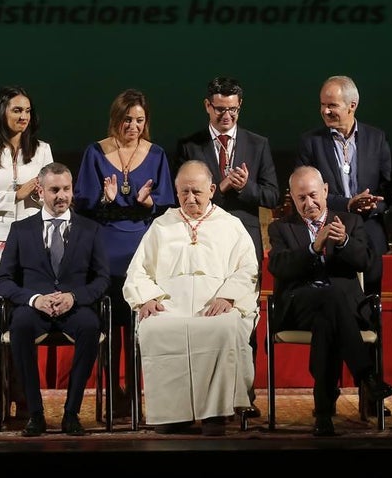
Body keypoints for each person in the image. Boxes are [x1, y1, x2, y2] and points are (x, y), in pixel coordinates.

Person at [122, 160, 260, 436]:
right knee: (155, 328)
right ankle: (172, 414)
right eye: (184, 192)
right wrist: (147, 299)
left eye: (196, 192)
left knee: (224, 328)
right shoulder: (162, 225)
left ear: (211, 190)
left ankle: (215, 414)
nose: (190, 198)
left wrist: (229, 297)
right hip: (170, 305)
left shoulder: (231, 225)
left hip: (215, 305)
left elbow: (248, 269)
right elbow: (137, 271)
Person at [173, 76, 279, 417]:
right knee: (202, 316)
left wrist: (244, 188)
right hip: (200, 245)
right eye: (220, 110)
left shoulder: (258, 144)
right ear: (207, 106)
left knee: (242, 319)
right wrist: (218, 187)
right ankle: (202, 397)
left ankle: (243, 397)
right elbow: (182, 197)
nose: (226, 116)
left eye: (232, 110)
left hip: (242, 245)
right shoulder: (189, 146)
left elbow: (272, 195)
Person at [267, 166, 392, 436]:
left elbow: (367, 264)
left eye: (313, 195)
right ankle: (366, 375)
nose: (309, 203)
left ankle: (324, 413)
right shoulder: (282, 228)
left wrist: (345, 242)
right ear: (292, 197)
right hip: (299, 306)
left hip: (341, 310)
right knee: (330, 297)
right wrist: (314, 247)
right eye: (301, 198)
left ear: (325, 191)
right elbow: (279, 267)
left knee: (328, 314)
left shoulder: (349, 222)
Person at [74, 88, 174, 416]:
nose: (133, 126)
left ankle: (135, 390)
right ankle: (113, 391)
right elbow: (84, 205)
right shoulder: (95, 152)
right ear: (116, 119)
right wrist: (106, 199)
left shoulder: (156, 154)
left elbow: (167, 206)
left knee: (138, 325)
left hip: (142, 251)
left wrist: (150, 203)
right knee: (109, 324)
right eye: (127, 119)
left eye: (139, 120)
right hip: (104, 248)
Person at [0, 162, 110, 437]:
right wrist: (34, 299)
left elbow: (103, 279)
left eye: (67, 189)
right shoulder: (21, 230)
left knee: (91, 327)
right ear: (40, 191)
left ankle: (72, 414)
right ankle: (35, 414)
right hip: (34, 307)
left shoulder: (90, 229)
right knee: (20, 326)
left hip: (75, 306)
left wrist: (74, 296)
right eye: (55, 190)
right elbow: (3, 281)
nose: (62, 196)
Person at [0, 85, 54, 421]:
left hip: (30, 242)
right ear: (1, 112)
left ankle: (22, 397)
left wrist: (40, 195)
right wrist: (17, 194)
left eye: (28, 111)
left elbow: (49, 192)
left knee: (23, 319)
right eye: (17, 110)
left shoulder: (41, 149)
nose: (24, 117)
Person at [297, 75, 391, 297]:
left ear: (352, 106)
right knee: (337, 294)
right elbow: (305, 191)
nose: (325, 111)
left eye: (332, 105)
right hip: (328, 227)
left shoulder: (376, 138)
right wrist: (348, 204)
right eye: (322, 105)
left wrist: (371, 204)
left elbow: (389, 188)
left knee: (373, 292)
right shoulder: (310, 142)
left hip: (369, 227)